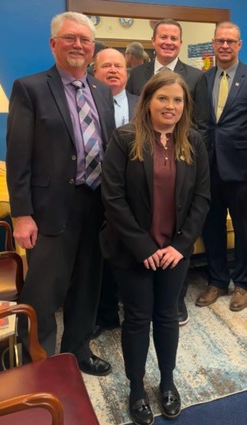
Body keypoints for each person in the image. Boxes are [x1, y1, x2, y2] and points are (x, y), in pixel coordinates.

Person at [6, 11, 116, 376]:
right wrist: (21, 214)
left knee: (87, 285)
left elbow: (108, 147)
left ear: (93, 48)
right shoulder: (30, 88)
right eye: (70, 38)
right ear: (54, 43)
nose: (79, 45)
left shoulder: (101, 90)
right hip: (50, 209)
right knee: (43, 293)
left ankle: (77, 351)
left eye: (86, 40)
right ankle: (40, 364)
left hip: (95, 204)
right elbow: (17, 155)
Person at [100, 71, 210, 425]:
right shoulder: (125, 139)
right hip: (133, 251)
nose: (170, 106)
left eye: (177, 100)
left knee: (166, 316)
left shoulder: (193, 140)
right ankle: (135, 389)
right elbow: (113, 197)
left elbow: (202, 198)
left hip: (174, 252)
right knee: (137, 319)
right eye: (163, 98)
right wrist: (143, 246)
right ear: (147, 101)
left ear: (185, 106)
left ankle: (167, 382)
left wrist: (180, 245)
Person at [126, 18, 211, 325]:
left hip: (180, 163)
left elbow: (197, 122)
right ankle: (139, 301)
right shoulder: (134, 74)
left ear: (180, 42)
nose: (168, 42)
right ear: (153, 40)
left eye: (174, 38)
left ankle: (176, 300)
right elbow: (130, 116)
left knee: (178, 232)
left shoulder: (195, 76)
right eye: (163, 37)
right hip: (140, 163)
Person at [195, 21, 247, 313]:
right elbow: (201, 122)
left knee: (242, 228)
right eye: (220, 41)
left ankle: (242, 283)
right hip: (209, 169)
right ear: (213, 44)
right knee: (211, 227)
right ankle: (217, 281)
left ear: (239, 45)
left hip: (240, 169)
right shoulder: (204, 79)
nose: (224, 46)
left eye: (230, 41)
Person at [90, 47, 139, 339]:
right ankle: (105, 314)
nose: (112, 70)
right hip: (95, 193)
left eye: (118, 66)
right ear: (94, 73)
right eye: (105, 66)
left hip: (137, 195)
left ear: (126, 72)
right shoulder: (85, 103)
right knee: (100, 256)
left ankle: (134, 310)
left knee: (134, 251)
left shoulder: (143, 102)